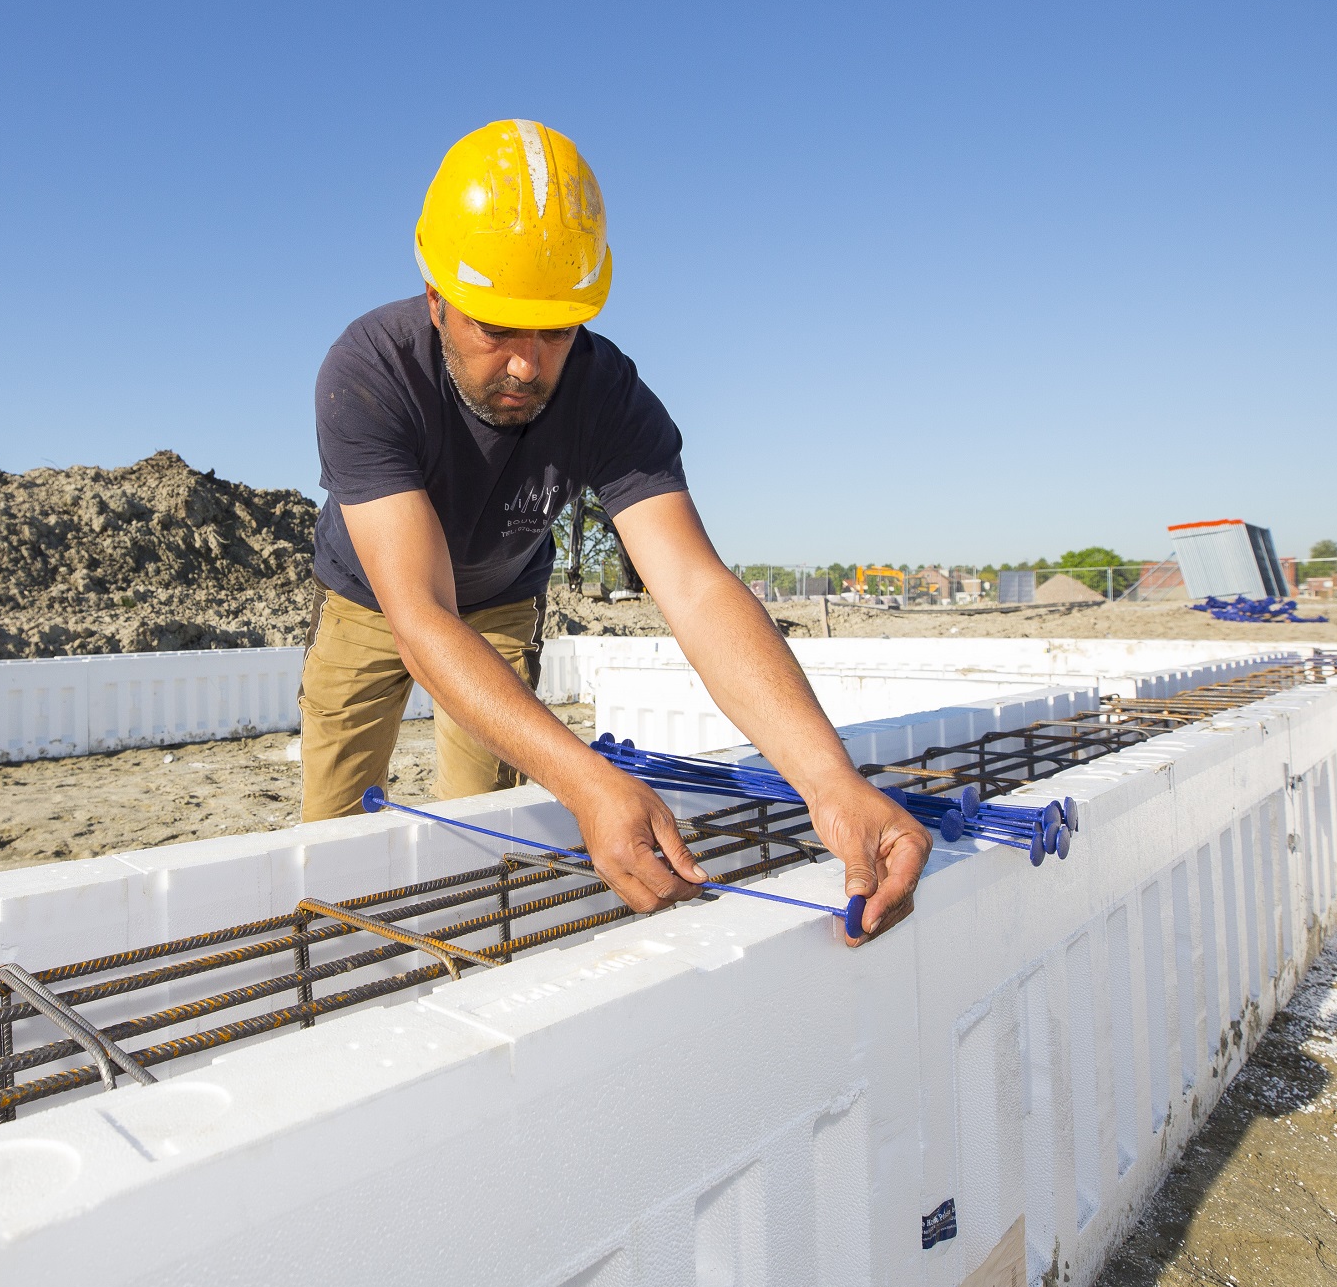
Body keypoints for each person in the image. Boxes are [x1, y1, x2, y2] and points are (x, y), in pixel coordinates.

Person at [300, 119, 930, 942]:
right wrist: (592, 784)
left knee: (492, 824)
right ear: (438, 300)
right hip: (370, 605)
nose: (527, 365)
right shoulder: (369, 374)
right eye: (497, 329)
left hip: (497, 605)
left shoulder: (607, 395)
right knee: (332, 826)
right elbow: (419, 616)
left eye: (554, 330)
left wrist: (828, 781)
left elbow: (696, 587)